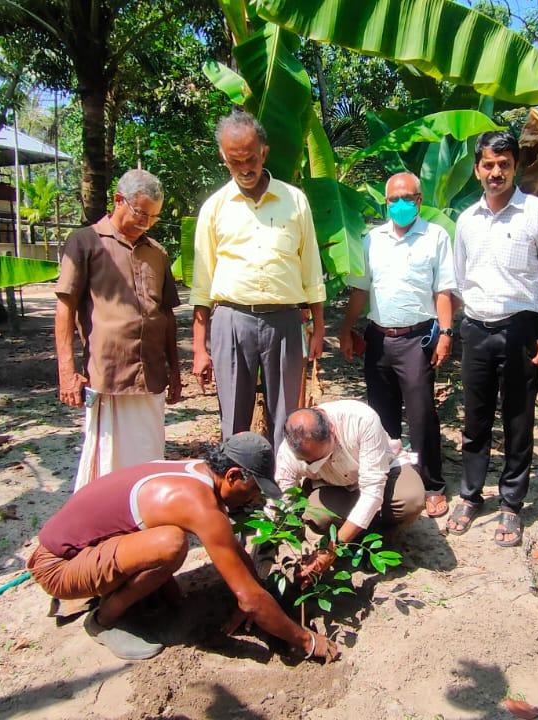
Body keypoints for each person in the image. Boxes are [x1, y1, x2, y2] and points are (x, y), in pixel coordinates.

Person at [27, 432, 340, 663]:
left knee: (169, 552)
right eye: (253, 489)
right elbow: (249, 600)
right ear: (232, 475)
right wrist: (306, 640)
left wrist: (256, 588)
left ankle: (134, 596)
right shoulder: (198, 504)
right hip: (59, 567)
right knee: (171, 543)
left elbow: (233, 552)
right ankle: (104, 620)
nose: (255, 498)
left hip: (85, 549)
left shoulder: (195, 472)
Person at [448, 131, 538, 547]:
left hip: (521, 327)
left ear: (515, 166)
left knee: (518, 419)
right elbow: (460, 280)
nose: (495, 172)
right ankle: (470, 494)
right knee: (475, 419)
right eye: (488, 165)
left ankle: (512, 504)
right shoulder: (466, 220)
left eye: (504, 164)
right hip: (477, 327)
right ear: (478, 169)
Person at [190, 110, 326, 453]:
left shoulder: (295, 200)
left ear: (263, 152)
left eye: (250, 158)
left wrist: (319, 327)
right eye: (235, 162)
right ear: (224, 158)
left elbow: (311, 268)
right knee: (234, 416)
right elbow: (202, 284)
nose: (245, 168)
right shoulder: (214, 208)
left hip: (284, 319)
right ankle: (237, 485)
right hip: (231, 321)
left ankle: (284, 488)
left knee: (288, 416)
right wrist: (198, 347)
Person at [55, 168, 182, 492]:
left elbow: (165, 314)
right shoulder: (85, 242)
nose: (146, 223)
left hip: (150, 373)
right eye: (141, 213)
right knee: (106, 461)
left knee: (148, 454)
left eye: (154, 217)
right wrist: (66, 371)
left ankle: (144, 512)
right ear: (118, 200)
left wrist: (176, 372)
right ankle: (105, 519)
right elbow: (65, 307)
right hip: (108, 373)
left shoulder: (157, 253)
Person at [339, 172, 456, 519]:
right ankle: (390, 481)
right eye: (393, 199)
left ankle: (432, 485)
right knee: (381, 415)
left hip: (417, 339)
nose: (400, 204)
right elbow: (360, 289)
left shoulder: (435, 236)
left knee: (421, 415)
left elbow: (444, 290)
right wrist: (347, 329)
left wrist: (447, 333)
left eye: (408, 198)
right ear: (386, 202)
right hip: (378, 338)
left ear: (419, 201)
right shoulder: (371, 239)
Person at [275, 401, 425, 582]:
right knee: (318, 515)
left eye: (322, 458)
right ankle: (353, 535)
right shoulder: (288, 452)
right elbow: (281, 502)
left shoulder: (361, 419)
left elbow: (372, 491)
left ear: (332, 430)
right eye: (309, 463)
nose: (315, 465)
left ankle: (381, 534)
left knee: (410, 499)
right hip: (334, 486)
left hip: (382, 475)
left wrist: (332, 549)